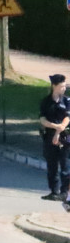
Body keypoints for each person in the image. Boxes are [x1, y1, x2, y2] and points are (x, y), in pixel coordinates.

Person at [38, 73, 70, 207]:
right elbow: (42, 119)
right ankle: (54, 191)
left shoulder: (67, 101)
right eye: (61, 86)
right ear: (54, 86)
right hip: (49, 136)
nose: (64, 88)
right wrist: (54, 127)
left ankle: (64, 192)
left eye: (64, 86)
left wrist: (59, 129)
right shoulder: (46, 102)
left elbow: (68, 118)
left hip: (64, 137)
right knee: (51, 165)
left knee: (65, 165)